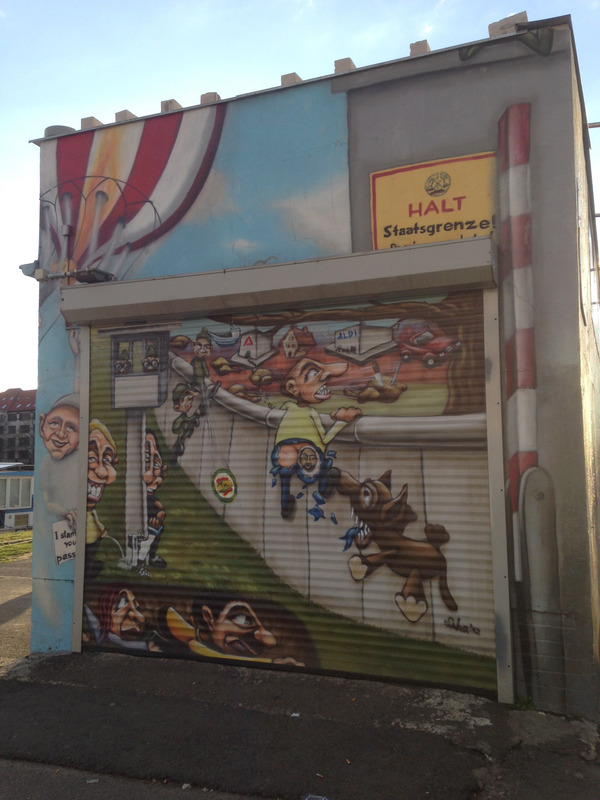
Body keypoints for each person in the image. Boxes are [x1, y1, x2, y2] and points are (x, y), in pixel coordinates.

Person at [271, 357, 362, 518]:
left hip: (284, 449)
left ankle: (285, 503)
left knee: (285, 473)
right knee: (320, 465)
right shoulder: (311, 412)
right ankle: (324, 483)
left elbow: (274, 415)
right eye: (312, 373)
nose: (325, 378)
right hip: (308, 448)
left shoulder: (287, 407)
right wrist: (341, 421)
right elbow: (325, 439)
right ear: (292, 388)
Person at [160, 590, 303, 665]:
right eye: (244, 619)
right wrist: (271, 663)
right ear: (208, 617)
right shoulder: (194, 646)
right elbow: (210, 653)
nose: (269, 641)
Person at [38, 393, 80, 529]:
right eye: (54, 423)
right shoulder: (46, 463)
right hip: (61, 529)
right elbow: (47, 502)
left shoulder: (82, 460)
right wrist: (66, 512)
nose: (61, 434)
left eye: (71, 428)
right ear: (42, 425)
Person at [85, 419, 118, 577]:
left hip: (94, 540)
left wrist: (102, 529)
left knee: (90, 558)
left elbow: (94, 517)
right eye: (91, 458)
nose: (102, 472)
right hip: (88, 541)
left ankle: (90, 570)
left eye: (107, 460)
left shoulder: (90, 511)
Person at [137, 429, 168, 571]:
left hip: (151, 515)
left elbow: (156, 505)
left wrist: (160, 512)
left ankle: (150, 556)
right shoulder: (139, 497)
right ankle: (141, 559)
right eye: (145, 460)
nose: (150, 476)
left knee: (158, 526)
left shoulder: (150, 496)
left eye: (155, 464)